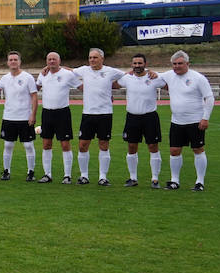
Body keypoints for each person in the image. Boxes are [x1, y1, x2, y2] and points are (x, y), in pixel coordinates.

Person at [157, 49, 215, 191]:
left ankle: (199, 182)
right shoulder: (169, 75)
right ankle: (174, 181)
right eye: (174, 64)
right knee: (174, 150)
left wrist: (205, 118)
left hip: (195, 121)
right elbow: (153, 75)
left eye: (180, 63)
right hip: (177, 121)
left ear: (187, 63)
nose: (177, 66)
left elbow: (209, 98)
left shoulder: (198, 78)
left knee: (198, 149)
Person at [71, 48, 123, 185]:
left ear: (102, 59)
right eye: (90, 57)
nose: (92, 60)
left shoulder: (110, 71)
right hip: (88, 114)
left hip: (105, 114)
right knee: (82, 145)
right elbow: (67, 71)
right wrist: (49, 66)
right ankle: (84, 176)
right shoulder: (84, 70)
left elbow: (127, 76)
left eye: (95, 57)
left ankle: (103, 177)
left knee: (103, 144)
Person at [118, 53, 166, 187]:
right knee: (132, 147)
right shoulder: (127, 78)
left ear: (145, 64)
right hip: (132, 117)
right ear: (131, 65)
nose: (137, 66)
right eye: (135, 63)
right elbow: (112, 84)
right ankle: (133, 178)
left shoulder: (154, 77)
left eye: (140, 63)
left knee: (153, 146)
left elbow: (169, 83)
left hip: (150, 117)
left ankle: (155, 179)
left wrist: (156, 72)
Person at [36, 51, 80, 184]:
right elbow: (35, 88)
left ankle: (67, 176)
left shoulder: (67, 75)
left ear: (59, 61)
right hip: (47, 113)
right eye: (49, 59)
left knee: (65, 144)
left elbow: (82, 87)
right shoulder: (43, 74)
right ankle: (47, 174)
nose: (51, 61)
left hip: (62, 113)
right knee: (46, 144)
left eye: (54, 59)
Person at [0, 51, 40, 181]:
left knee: (28, 145)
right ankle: (6, 171)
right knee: (8, 145)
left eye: (15, 59)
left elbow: (34, 96)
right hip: (9, 117)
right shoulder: (4, 78)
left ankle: (31, 172)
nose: (13, 62)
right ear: (8, 62)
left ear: (20, 62)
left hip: (25, 117)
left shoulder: (28, 77)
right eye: (11, 60)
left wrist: (33, 114)